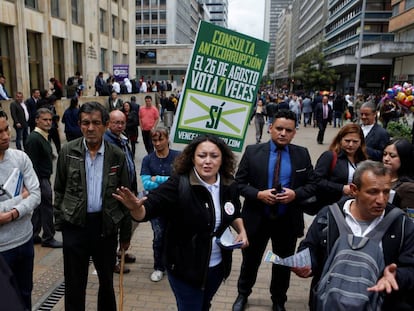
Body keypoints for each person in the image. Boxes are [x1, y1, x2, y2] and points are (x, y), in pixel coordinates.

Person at [113, 134, 249, 311]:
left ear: (222, 159)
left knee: (205, 305)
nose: (208, 161)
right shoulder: (179, 184)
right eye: (202, 155)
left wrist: (242, 230)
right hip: (185, 269)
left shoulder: (228, 184)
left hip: (216, 268)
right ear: (192, 158)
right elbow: (148, 209)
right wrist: (135, 208)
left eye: (214, 156)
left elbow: (233, 210)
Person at [292, 160, 414, 310]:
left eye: (386, 192)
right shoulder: (329, 216)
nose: (381, 200)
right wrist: (307, 263)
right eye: (373, 192)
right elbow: (309, 247)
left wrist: (396, 276)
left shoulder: (401, 224)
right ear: (354, 189)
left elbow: (410, 268)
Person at [233, 110, 317, 311]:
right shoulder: (253, 151)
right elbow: (239, 183)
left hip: (286, 221)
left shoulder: (302, 154)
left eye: (288, 130)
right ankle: (243, 294)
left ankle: (278, 301)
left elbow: (313, 184)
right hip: (256, 219)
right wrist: (258, 194)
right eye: (279, 128)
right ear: (270, 128)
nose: (282, 133)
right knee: (250, 262)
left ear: (294, 133)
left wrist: (295, 194)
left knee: (283, 264)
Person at [53, 101, 132, 311]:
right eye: (85, 123)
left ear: (105, 125)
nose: (90, 128)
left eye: (96, 123)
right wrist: (61, 224)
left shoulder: (117, 156)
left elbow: (125, 197)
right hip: (75, 227)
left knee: (106, 282)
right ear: (79, 124)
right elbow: (59, 189)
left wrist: (125, 235)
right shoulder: (68, 151)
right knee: (74, 283)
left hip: (105, 228)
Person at [0, 110, 41, 310]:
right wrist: (20, 198)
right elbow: (27, 196)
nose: (6, 136)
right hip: (2, 250)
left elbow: (35, 195)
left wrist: (10, 214)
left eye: (6, 129)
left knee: (25, 294)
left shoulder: (20, 157)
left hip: (25, 241)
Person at [140, 127, 180, 282]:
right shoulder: (148, 159)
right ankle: (159, 266)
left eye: (160, 139)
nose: (157, 143)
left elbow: (179, 182)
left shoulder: (178, 157)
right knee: (159, 236)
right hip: (155, 205)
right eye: (154, 140)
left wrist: (157, 179)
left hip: (175, 205)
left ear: (167, 138)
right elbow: (146, 184)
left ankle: (174, 265)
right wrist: (168, 180)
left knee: (175, 235)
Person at [103, 109, 138, 274]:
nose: (119, 125)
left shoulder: (123, 139)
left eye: (122, 122)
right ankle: (111, 261)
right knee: (113, 227)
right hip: (115, 192)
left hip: (127, 189)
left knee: (127, 224)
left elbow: (130, 163)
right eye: (116, 122)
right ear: (109, 123)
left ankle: (121, 252)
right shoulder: (107, 142)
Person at [25, 108, 62, 248]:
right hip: (40, 179)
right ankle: (48, 237)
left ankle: (33, 234)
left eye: (50, 120)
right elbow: (31, 163)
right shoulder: (34, 138)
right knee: (46, 208)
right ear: (37, 120)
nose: (48, 122)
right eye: (45, 119)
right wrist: (35, 184)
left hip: (43, 177)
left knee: (40, 208)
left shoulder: (43, 135)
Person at [313, 123, 368, 207]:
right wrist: (341, 188)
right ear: (340, 140)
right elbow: (316, 180)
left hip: (356, 207)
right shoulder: (329, 156)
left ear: (361, 142)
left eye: (355, 141)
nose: (351, 145)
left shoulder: (363, 160)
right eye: (347, 141)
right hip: (332, 206)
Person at [382, 139, 414, 209]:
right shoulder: (378, 177)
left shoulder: (408, 187)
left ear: (404, 158)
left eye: (392, 156)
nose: (386, 159)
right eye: (384, 154)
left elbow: (407, 217)